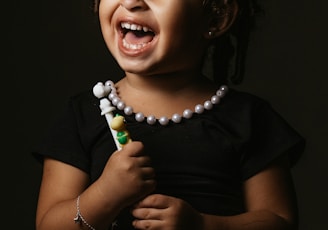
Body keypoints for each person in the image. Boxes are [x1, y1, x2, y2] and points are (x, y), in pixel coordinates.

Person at [34, 0, 305, 229]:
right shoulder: (81, 115)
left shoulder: (250, 118)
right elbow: (48, 224)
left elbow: (279, 220)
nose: (131, 2)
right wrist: (105, 195)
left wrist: (201, 224)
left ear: (215, 17)